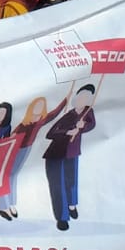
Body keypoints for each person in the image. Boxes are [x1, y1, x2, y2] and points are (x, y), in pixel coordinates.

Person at [1, 88, 72, 220]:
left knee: (12, 175)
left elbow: (55, 113)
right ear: (32, 107)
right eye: (36, 105)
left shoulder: (41, 120)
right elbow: (12, 135)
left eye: (41, 106)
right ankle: (8, 205)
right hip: (14, 148)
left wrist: (66, 99)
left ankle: (10, 204)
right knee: (9, 175)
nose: (38, 108)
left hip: (25, 149)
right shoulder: (24, 122)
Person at [44, 84, 98, 231]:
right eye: (80, 96)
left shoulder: (88, 113)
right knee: (58, 186)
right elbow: (49, 133)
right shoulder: (68, 115)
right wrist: (67, 132)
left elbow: (91, 124)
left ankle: (72, 205)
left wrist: (83, 126)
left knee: (71, 182)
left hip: (72, 153)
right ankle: (62, 217)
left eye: (86, 97)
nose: (82, 99)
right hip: (55, 155)